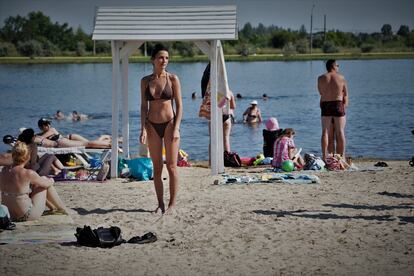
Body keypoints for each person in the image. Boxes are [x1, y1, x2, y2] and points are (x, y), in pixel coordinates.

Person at [140, 44, 182, 215]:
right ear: (153, 60)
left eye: (166, 58)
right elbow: (144, 107)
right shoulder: (145, 81)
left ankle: (172, 204)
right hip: (151, 126)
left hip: (170, 125)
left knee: (171, 167)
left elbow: (179, 106)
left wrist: (177, 128)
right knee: (157, 167)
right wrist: (142, 128)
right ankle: (160, 204)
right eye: (160, 57)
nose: (164, 61)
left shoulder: (173, 79)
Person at [0, 142, 69, 222]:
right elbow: (46, 184)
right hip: (26, 215)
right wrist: (51, 180)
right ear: (28, 157)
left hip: (10, 215)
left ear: (13, 156)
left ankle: (53, 208)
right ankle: (62, 208)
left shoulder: (3, 171)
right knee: (44, 180)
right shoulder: (28, 173)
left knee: (33, 185)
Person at [199, 63, 236, 154]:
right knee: (226, 139)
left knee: (213, 141)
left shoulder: (211, 92)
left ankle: (211, 162)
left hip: (215, 117)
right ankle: (227, 159)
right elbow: (233, 106)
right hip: (226, 117)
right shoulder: (228, 91)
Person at [318, 59, 348, 160]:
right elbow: (345, 93)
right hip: (338, 104)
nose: (338, 67)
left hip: (326, 104)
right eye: (338, 65)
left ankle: (325, 156)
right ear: (333, 66)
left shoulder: (321, 78)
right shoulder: (341, 77)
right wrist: (344, 105)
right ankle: (342, 157)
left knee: (325, 132)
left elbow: (321, 92)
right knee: (340, 131)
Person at [37, 118, 111, 148]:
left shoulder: (51, 130)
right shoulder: (46, 132)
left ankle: (110, 144)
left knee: (88, 144)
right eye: (46, 125)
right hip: (66, 139)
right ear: (42, 126)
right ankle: (105, 140)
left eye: (48, 124)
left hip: (63, 142)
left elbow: (41, 138)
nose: (48, 125)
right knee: (89, 143)